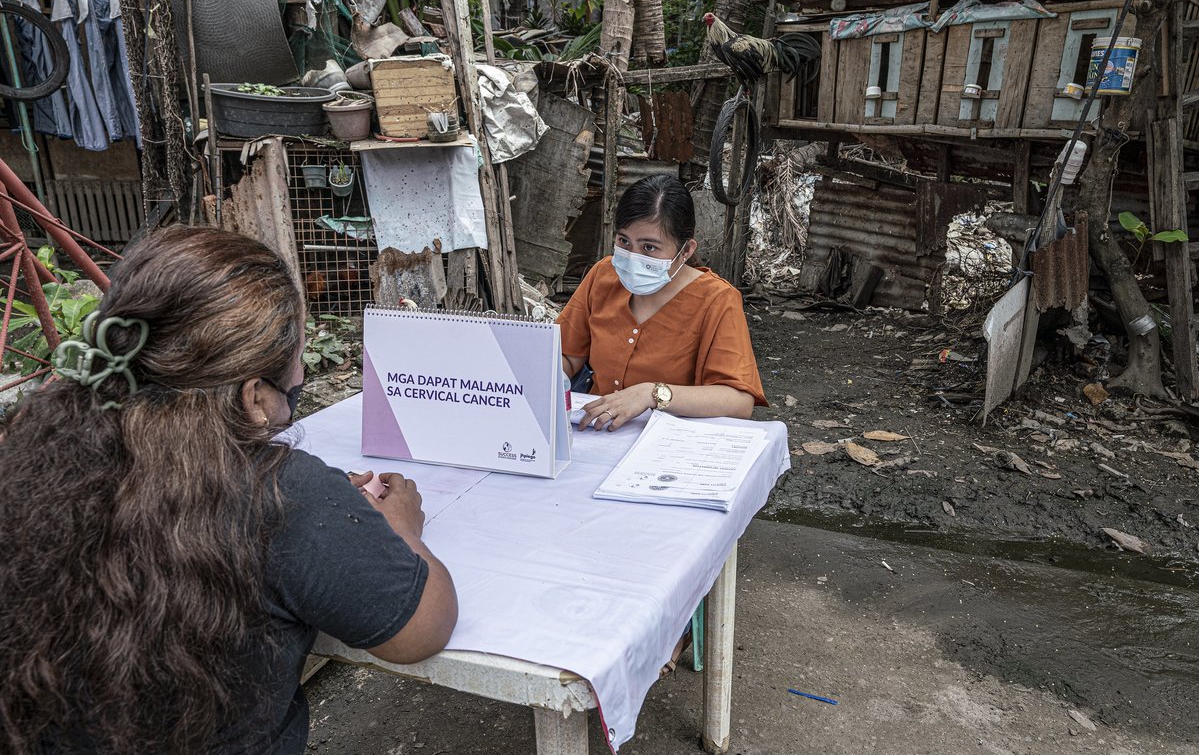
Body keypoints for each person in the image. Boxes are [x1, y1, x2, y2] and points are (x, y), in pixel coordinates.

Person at [0, 227, 457, 755]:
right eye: (297, 357)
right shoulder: (281, 492)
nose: (302, 372)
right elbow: (422, 630)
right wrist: (400, 528)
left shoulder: (34, 454)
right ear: (256, 397)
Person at [558, 174, 767, 430]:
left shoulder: (716, 300)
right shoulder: (603, 276)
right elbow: (567, 357)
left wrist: (651, 394)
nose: (632, 256)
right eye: (624, 241)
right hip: (594, 431)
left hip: (670, 443)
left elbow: (738, 401)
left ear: (686, 250)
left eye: (649, 248)